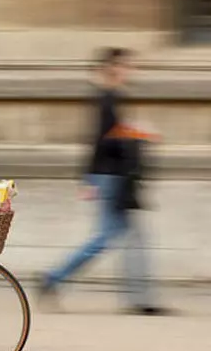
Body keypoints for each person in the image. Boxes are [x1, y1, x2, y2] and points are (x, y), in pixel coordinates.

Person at [38, 47, 167, 316]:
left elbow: (108, 136)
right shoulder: (107, 98)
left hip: (112, 176)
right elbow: (102, 139)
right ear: (112, 67)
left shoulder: (111, 98)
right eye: (126, 65)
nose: (130, 70)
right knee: (106, 238)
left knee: (127, 236)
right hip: (111, 177)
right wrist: (141, 133)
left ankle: (138, 298)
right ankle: (52, 278)